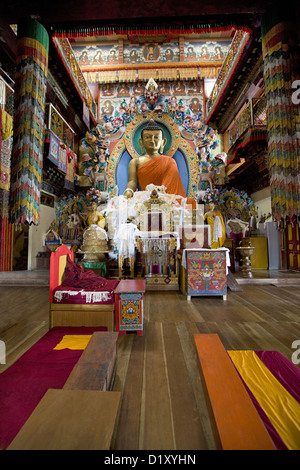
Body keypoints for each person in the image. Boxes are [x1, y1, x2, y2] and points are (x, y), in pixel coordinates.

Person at [123, 119, 186, 199]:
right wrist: (129, 191)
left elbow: (172, 188)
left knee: (190, 203)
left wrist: (160, 192)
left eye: (156, 137)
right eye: (147, 137)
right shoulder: (135, 162)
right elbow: (132, 182)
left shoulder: (170, 162)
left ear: (163, 142)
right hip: (144, 199)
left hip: (165, 199)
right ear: (141, 142)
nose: (152, 140)